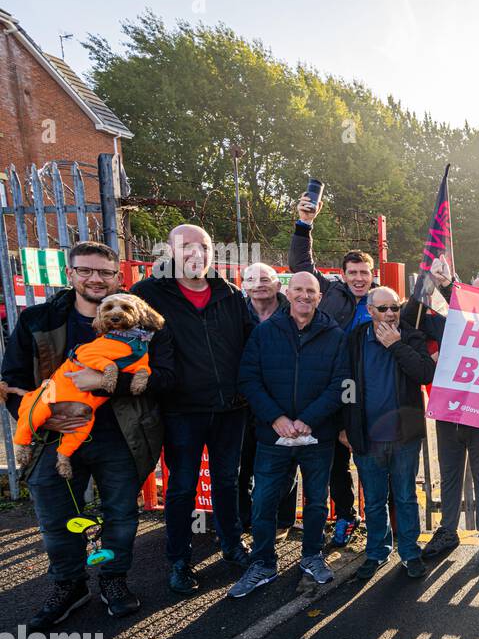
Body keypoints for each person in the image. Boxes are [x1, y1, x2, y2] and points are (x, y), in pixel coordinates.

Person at [1, 241, 163, 628]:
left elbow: (163, 379)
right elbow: (12, 381)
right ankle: (69, 585)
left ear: (117, 278)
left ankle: (113, 580)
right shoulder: (38, 319)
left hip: (121, 435)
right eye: (86, 271)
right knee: (57, 517)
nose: (96, 278)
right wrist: (46, 418)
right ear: (70, 274)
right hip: (54, 439)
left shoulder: (141, 326)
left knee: (120, 515)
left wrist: (111, 383)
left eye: (105, 272)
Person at [133, 224, 253, 595]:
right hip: (181, 411)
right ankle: (179, 561)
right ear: (169, 251)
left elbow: (249, 346)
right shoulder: (148, 295)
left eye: (202, 246)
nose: (195, 253)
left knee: (228, 482)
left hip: (230, 409)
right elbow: (128, 344)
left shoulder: (230, 294)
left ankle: (232, 545)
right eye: (185, 247)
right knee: (182, 487)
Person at [228, 272, 348, 598]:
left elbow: (341, 383)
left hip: (316, 436)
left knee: (317, 503)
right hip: (273, 437)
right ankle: (263, 563)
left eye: (311, 291)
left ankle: (312, 556)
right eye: (299, 290)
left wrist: (309, 419)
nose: (305, 296)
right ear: (287, 292)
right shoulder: (266, 332)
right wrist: (276, 418)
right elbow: (248, 379)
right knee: (264, 501)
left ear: (319, 297)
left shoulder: (335, 336)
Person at [290, 194, 377, 549]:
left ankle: (383, 520)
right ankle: (345, 515)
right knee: (335, 464)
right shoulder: (329, 293)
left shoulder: (384, 302)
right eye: (352, 272)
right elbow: (301, 263)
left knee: (374, 462)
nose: (358, 278)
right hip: (335, 391)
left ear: (373, 275)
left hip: (372, 396)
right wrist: (304, 224)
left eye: (364, 273)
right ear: (343, 275)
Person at [343, 285, 435, 580]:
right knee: (373, 499)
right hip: (366, 436)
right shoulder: (355, 339)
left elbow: (424, 374)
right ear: (369, 311)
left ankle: (410, 552)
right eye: (383, 309)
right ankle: (376, 552)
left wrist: (396, 345)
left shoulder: (410, 336)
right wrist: (343, 426)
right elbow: (343, 384)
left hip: (404, 436)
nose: (390, 314)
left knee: (406, 496)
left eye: (395, 307)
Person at [425, 274, 479, 565]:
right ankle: (448, 530)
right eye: (476, 292)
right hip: (448, 413)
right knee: (450, 475)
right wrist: (431, 352)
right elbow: (417, 327)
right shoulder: (448, 320)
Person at [236, 263, 296, 540]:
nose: (259, 284)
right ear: (244, 286)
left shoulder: (293, 314)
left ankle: (282, 520)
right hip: (243, 403)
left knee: (286, 464)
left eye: (265, 279)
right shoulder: (235, 314)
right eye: (252, 280)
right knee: (241, 465)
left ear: (278, 285)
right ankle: (244, 520)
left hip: (284, 402)